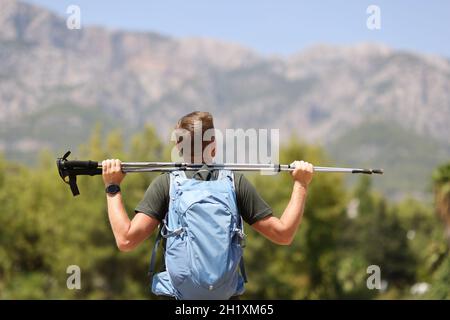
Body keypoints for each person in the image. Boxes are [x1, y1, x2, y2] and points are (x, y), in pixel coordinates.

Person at [102, 111, 314, 299]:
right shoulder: (234, 182)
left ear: (178, 147)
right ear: (213, 147)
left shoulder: (166, 184)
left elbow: (126, 240)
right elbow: (284, 234)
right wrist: (301, 184)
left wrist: (112, 187)